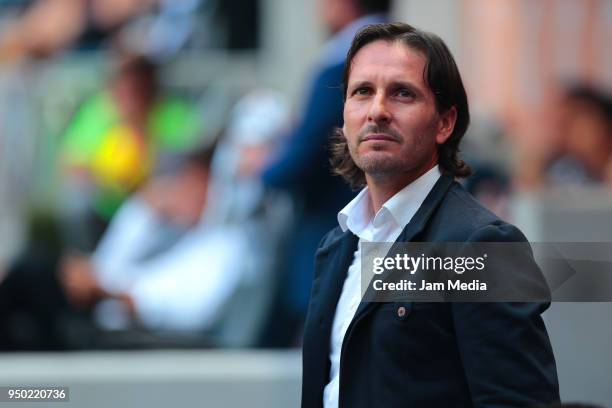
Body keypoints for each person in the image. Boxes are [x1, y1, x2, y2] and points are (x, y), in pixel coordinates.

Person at [301, 23, 560, 407]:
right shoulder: (337, 242)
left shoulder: (480, 246)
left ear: (445, 123)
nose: (377, 111)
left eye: (402, 93)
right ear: (344, 116)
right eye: (362, 92)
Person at [253, 0, 391, 347]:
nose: (380, 113)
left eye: (404, 94)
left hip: (336, 233)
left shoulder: (338, 66)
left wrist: (263, 166)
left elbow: (304, 157)